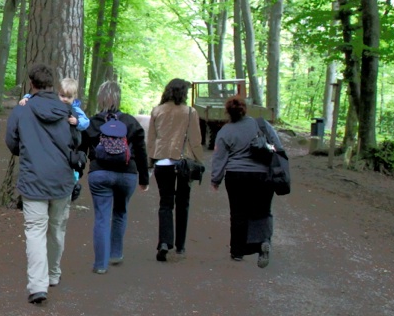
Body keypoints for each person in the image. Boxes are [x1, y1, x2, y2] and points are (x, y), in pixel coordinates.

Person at [5, 64, 78, 304]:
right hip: (61, 179)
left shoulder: (22, 110)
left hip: (34, 178)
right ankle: (53, 274)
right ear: (51, 85)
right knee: (56, 228)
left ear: (32, 84)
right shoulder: (67, 110)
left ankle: (38, 285)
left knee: (35, 230)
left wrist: (30, 150)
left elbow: (12, 142)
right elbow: (76, 141)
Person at [82, 81, 149, 274]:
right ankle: (116, 254)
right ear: (118, 98)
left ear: (100, 98)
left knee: (102, 217)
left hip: (100, 174)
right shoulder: (130, 122)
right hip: (127, 174)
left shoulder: (92, 123)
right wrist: (144, 179)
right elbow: (141, 152)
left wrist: (76, 173)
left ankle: (100, 265)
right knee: (120, 212)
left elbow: (81, 149)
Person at [210, 96, 282, 267]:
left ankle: (237, 251)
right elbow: (277, 146)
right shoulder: (261, 125)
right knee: (263, 211)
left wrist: (216, 179)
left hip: (236, 176)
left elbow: (219, 157)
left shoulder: (225, 131)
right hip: (262, 176)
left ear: (228, 112)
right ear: (245, 109)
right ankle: (263, 241)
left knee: (238, 213)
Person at [147, 78, 203, 262]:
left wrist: (149, 162)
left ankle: (164, 242)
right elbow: (195, 140)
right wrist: (199, 161)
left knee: (165, 203)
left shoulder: (157, 111)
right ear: (183, 93)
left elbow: (151, 139)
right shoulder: (190, 112)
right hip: (184, 163)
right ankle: (180, 245)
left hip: (162, 162)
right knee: (183, 203)